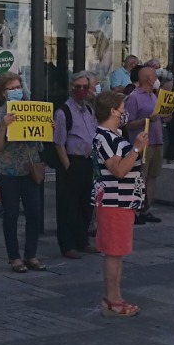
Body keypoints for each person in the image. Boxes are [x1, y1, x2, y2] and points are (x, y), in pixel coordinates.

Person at [93, 88, 147, 316]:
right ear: (113, 111)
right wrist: (136, 149)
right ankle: (112, 299)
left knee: (117, 252)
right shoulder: (103, 136)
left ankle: (115, 297)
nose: (125, 112)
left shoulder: (114, 135)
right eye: (122, 108)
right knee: (113, 252)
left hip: (122, 202)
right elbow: (118, 170)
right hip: (113, 202)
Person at [0, 70, 46, 273]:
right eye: (11, 88)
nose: (16, 91)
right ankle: (14, 257)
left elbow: (39, 141)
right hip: (8, 172)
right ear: (3, 93)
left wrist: (48, 127)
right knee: (11, 214)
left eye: (18, 87)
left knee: (34, 212)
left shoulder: (32, 109)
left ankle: (31, 254)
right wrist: (4, 127)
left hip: (30, 169)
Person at [53, 72, 97, 260]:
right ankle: (67, 244)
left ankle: (82, 241)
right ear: (71, 87)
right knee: (68, 206)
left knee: (86, 204)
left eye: (85, 87)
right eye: (77, 86)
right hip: (73, 161)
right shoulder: (63, 112)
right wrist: (68, 167)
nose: (81, 90)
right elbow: (59, 143)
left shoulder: (89, 110)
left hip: (89, 161)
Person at [122, 62, 164, 224]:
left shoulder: (154, 95)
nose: (157, 79)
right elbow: (128, 123)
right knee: (139, 177)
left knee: (152, 176)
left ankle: (146, 209)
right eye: (154, 76)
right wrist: (146, 120)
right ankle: (134, 210)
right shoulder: (133, 97)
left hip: (157, 141)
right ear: (148, 79)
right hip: (143, 143)